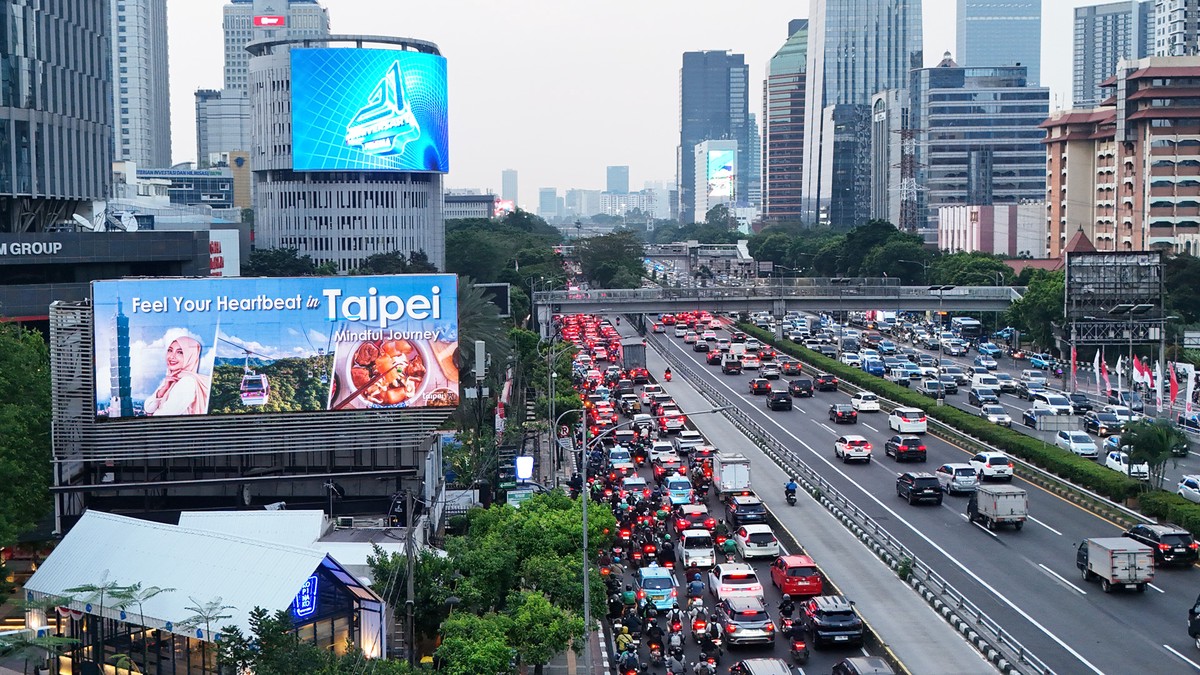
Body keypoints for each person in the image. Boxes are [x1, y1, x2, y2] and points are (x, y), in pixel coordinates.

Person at [143, 336, 210, 416]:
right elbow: (148, 407)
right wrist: (163, 390)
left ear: (191, 357)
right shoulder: (173, 378)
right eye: (170, 350)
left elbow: (161, 417)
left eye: (180, 352)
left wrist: (151, 413)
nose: (172, 356)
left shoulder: (187, 382)